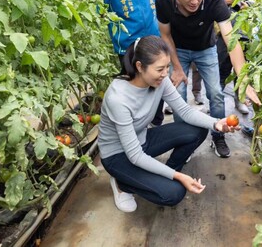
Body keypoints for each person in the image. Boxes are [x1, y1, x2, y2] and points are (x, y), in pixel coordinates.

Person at [99, 36, 240, 212]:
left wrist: (217, 123)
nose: (166, 73)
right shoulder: (118, 98)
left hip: (143, 141)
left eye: (167, 67)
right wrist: (179, 177)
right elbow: (134, 155)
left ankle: (164, 174)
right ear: (139, 67)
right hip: (118, 156)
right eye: (160, 69)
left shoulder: (160, 80)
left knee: (198, 129)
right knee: (173, 193)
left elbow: (186, 112)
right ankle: (123, 183)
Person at [155, 0, 261, 158]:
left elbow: (231, 38)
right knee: (178, 96)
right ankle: (183, 140)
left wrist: (244, 77)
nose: (195, 1)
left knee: (216, 94)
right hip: (178, 50)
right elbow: (165, 35)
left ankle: (218, 134)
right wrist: (176, 67)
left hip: (206, 48)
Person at [96, 0, 164, 126]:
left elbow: (160, 4)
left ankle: (156, 122)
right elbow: (100, 13)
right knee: (134, 90)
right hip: (128, 48)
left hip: (154, 41)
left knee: (157, 85)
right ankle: (136, 128)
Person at [164, 0, 207, 113]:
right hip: (178, 44)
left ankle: (197, 94)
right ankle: (173, 104)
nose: (194, 1)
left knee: (210, 86)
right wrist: (176, 65)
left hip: (202, 43)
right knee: (177, 83)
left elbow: (228, 33)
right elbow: (165, 32)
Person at [218, 0, 253, 118]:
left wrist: (245, 4)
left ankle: (240, 100)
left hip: (246, 33)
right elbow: (216, 1)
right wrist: (224, 1)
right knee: (222, 68)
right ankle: (217, 102)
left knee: (242, 70)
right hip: (226, 33)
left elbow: (259, 3)